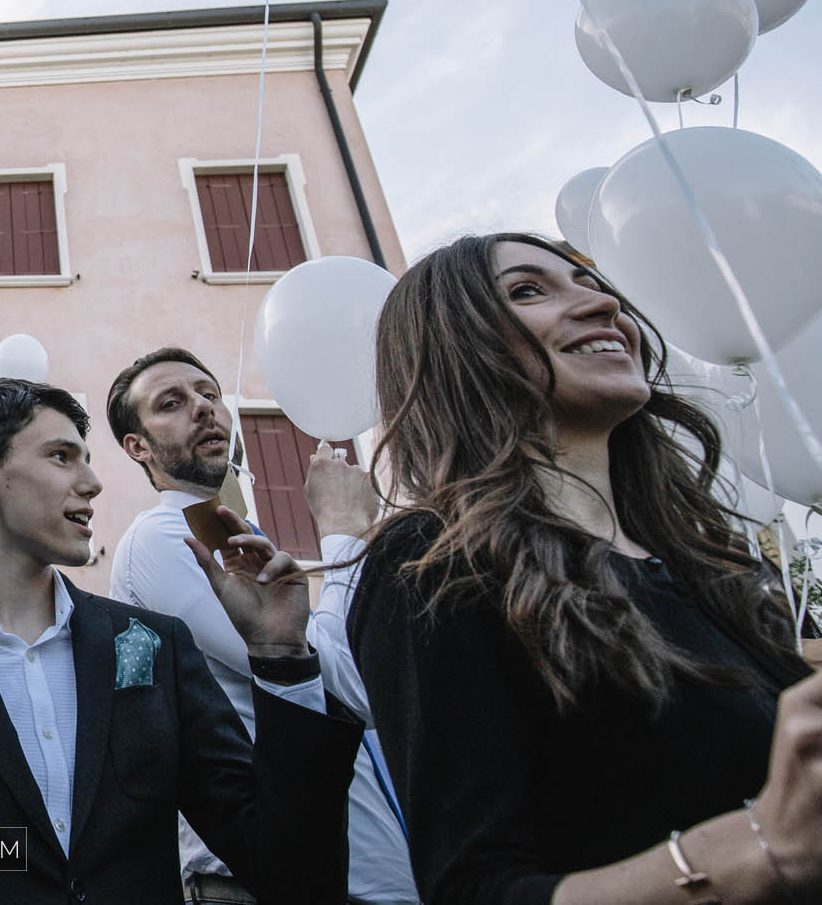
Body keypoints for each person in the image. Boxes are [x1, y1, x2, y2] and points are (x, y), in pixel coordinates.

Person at [348, 233, 822, 904]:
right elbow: (475, 887)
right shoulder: (434, 561)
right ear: (458, 347)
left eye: (592, 284)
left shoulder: (705, 561)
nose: (604, 304)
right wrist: (758, 850)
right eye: (528, 290)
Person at [0, 377, 360, 905]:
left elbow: (293, 875)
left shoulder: (159, 645)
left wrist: (283, 657)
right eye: (61, 456)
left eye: (87, 459)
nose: (93, 483)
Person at [105, 347, 418, 905]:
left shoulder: (237, 539)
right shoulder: (165, 538)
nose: (203, 407)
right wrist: (343, 530)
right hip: (260, 882)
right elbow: (346, 686)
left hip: (357, 872)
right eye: (171, 403)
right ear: (138, 446)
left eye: (209, 393)